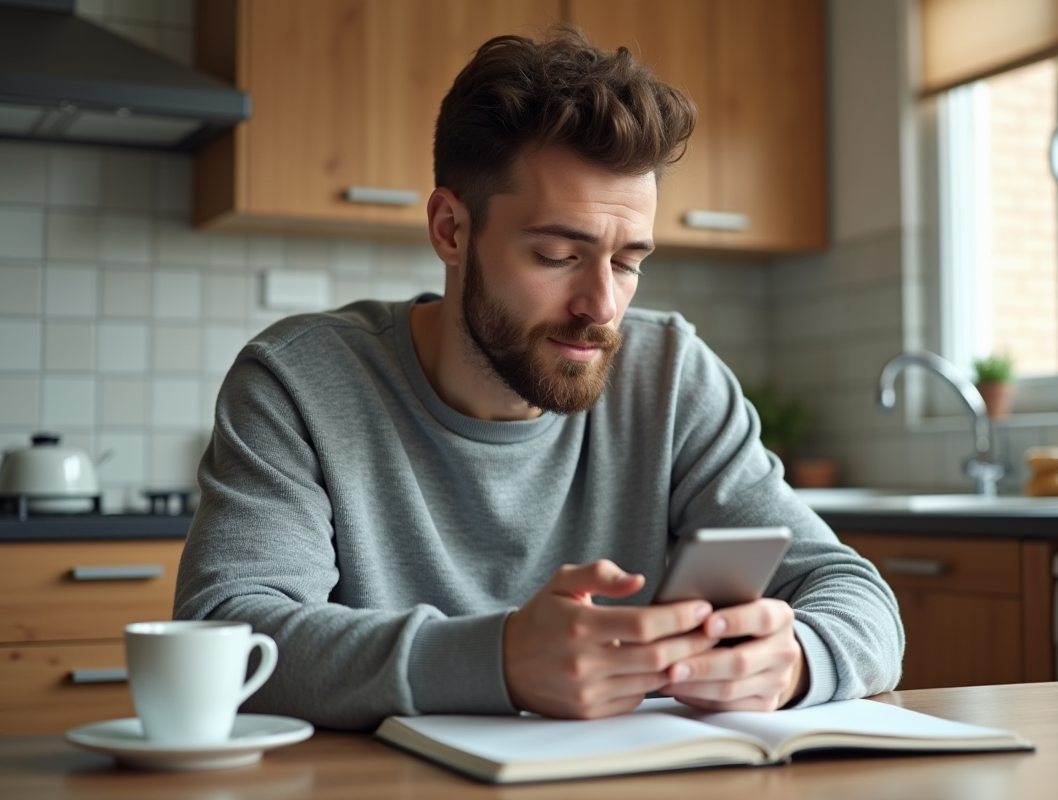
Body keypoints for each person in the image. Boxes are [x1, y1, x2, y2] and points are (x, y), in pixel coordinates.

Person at [174, 26, 903, 730]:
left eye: (628, 262)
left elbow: (853, 594)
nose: (602, 306)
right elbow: (226, 634)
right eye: (559, 255)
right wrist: (497, 659)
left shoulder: (671, 376)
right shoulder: (299, 382)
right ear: (450, 230)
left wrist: (798, 659)